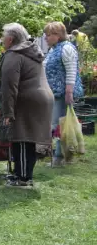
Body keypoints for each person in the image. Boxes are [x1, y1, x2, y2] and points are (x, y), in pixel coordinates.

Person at [0, 23, 53, 187]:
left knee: (20, 137)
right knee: (29, 140)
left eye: (3, 36)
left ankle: (22, 178)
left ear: (11, 38)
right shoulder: (31, 51)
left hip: (27, 99)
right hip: (40, 98)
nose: (1, 40)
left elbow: (9, 87)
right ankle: (23, 175)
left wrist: (8, 113)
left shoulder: (14, 55)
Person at [43, 22, 84, 166]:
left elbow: (72, 71)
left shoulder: (66, 48)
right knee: (58, 124)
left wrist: (69, 92)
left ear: (57, 35)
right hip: (53, 93)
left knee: (59, 125)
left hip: (62, 93)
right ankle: (61, 155)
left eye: (48, 35)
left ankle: (59, 157)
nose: (46, 38)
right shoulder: (54, 49)